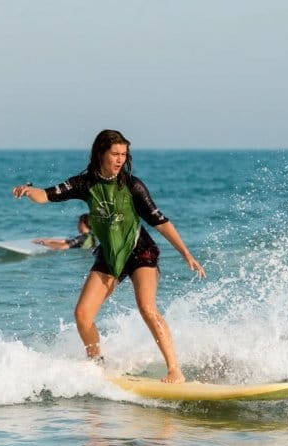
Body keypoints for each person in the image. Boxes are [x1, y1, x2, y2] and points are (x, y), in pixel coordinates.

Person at [12, 129, 205, 384]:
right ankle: (97, 364)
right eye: (114, 154)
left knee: (147, 307)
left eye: (124, 155)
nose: (119, 160)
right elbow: (46, 195)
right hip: (109, 256)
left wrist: (186, 254)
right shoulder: (85, 184)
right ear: (100, 154)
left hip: (140, 253)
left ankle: (174, 370)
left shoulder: (132, 186)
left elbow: (160, 222)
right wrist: (28, 190)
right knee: (82, 315)